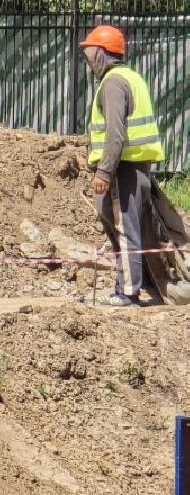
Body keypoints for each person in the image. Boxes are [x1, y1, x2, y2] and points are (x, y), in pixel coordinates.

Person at [81, 24, 165, 306]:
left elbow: (115, 132)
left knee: (124, 228)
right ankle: (125, 286)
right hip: (135, 165)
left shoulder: (113, 82)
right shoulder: (132, 77)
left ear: (102, 53)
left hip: (123, 169)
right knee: (124, 226)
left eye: (89, 53)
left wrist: (104, 170)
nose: (87, 59)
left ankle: (128, 292)